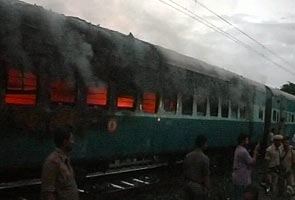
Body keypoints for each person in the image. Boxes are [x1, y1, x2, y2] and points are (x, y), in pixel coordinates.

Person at [41, 126, 79, 200]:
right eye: (71, 139)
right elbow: (48, 193)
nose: (73, 142)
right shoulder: (52, 162)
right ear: (65, 142)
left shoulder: (65, 161)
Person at [232, 133, 260, 200]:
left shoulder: (238, 149)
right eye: (247, 140)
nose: (248, 142)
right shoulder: (243, 151)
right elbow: (252, 162)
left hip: (237, 176)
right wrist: (255, 151)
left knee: (237, 194)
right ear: (243, 141)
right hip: (243, 178)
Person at [183, 135, 210, 200]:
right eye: (206, 143)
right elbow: (206, 175)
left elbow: (184, 171)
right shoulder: (205, 158)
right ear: (203, 144)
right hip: (198, 187)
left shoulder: (187, 156)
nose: (207, 145)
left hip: (187, 185)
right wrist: (208, 188)